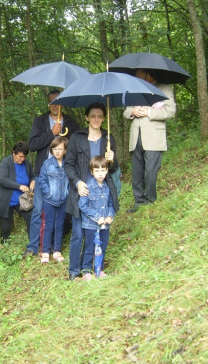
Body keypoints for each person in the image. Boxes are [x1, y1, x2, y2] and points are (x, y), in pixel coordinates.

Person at [65, 102, 120, 281]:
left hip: (102, 193)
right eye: (93, 116)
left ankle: (92, 268)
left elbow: (112, 169)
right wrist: (78, 182)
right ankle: (74, 270)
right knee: (79, 233)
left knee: (99, 232)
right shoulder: (76, 138)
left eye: (100, 116)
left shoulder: (108, 139)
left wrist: (112, 160)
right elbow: (69, 164)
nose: (96, 119)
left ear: (104, 119)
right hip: (82, 191)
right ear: (87, 117)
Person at [24, 90, 80, 257]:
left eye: (58, 101)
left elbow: (75, 146)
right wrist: (51, 133)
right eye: (51, 102)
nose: (55, 105)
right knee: (38, 210)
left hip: (64, 174)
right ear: (48, 104)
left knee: (63, 210)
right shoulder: (40, 121)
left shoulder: (71, 122)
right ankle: (34, 247)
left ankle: (55, 247)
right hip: (43, 173)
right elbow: (32, 145)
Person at [124, 68, 176, 213]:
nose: (138, 79)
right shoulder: (135, 89)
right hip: (136, 136)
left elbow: (170, 111)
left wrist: (149, 112)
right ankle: (138, 201)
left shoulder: (164, 88)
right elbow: (126, 111)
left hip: (154, 136)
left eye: (140, 76)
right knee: (137, 171)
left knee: (150, 170)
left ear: (148, 74)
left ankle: (150, 199)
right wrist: (132, 112)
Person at [78, 157, 116, 280]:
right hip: (91, 225)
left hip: (105, 225)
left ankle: (98, 269)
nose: (100, 173)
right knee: (89, 247)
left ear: (106, 171)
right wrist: (97, 217)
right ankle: (86, 271)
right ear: (92, 172)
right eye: (97, 170)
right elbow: (83, 205)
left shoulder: (107, 187)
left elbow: (111, 203)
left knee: (103, 246)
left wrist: (110, 216)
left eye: (102, 170)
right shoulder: (88, 187)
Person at [0, 141, 36, 244]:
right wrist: (19, 186)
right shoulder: (6, 162)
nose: (22, 159)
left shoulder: (26, 163)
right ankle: (4, 247)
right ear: (14, 153)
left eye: (24, 157)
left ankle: (33, 244)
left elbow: (33, 176)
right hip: (7, 200)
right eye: (20, 157)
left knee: (31, 217)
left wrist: (33, 182)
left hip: (22, 199)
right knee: (5, 227)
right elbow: (2, 179)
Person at [38, 137, 69, 264]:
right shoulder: (47, 164)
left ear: (65, 150)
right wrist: (48, 193)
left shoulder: (68, 165)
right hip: (50, 200)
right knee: (48, 225)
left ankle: (57, 250)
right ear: (51, 150)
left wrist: (67, 193)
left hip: (63, 200)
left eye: (60, 149)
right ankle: (45, 251)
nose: (57, 151)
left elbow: (71, 181)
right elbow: (42, 180)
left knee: (59, 225)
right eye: (55, 149)